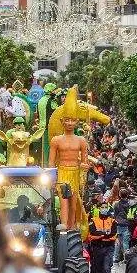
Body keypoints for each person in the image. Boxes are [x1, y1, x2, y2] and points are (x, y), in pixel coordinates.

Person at [49, 88, 89, 233]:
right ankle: (64, 225)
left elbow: (85, 161)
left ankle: (72, 226)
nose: (70, 123)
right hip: (62, 172)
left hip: (75, 173)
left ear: (77, 122)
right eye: (67, 120)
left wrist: (84, 166)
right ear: (61, 121)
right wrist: (51, 178)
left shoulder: (81, 140)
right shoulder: (56, 140)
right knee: (63, 200)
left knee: (74, 202)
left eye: (72, 120)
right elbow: (51, 162)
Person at [88, 202, 117, 273]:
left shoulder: (112, 221)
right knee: (98, 269)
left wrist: (100, 235)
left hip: (109, 247)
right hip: (96, 248)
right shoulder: (93, 220)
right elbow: (92, 233)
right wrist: (105, 234)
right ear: (99, 208)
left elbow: (113, 235)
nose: (104, 209)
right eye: (102, 207)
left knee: (106, 266)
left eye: (106, 207)